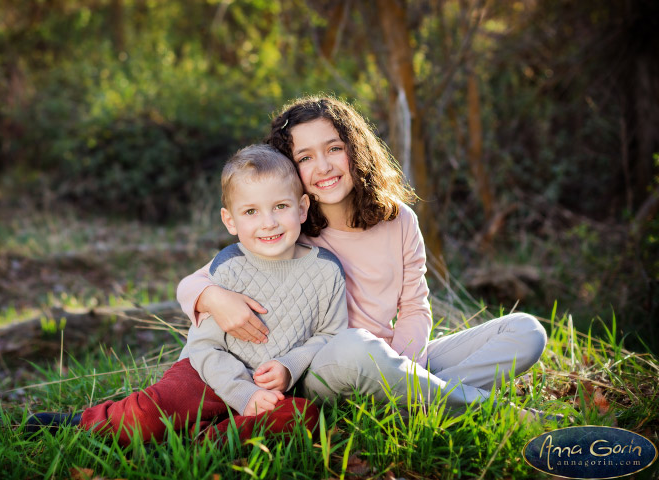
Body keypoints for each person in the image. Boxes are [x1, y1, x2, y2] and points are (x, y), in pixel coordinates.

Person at [177, 95, 548, 412]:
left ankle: (408, 398)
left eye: (334, 149)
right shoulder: (290, 227)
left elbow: (416, 307)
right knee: (357, 348)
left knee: (525, 332)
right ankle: (486, 408)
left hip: (395, 356)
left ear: (356, 149)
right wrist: (212, 296)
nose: (323, 166)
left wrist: (403, 365)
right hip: (320, 368)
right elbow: (195, 282)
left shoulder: (399, 220)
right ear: (291, 171)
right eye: (305, 157)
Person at [26, 144, 348, 445]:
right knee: (152, 411)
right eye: (251, 212)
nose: (269, 222)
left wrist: (289, 367)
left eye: (280, 206)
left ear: (302, 208)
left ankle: (197, 444)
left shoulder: (326, 271)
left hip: (270, 390)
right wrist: (242, 394)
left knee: (302, 417)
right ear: (229, 220)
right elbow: (203, 346)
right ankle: (88, 422)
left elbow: (330, 333)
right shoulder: (227, 269)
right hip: (206, 375)